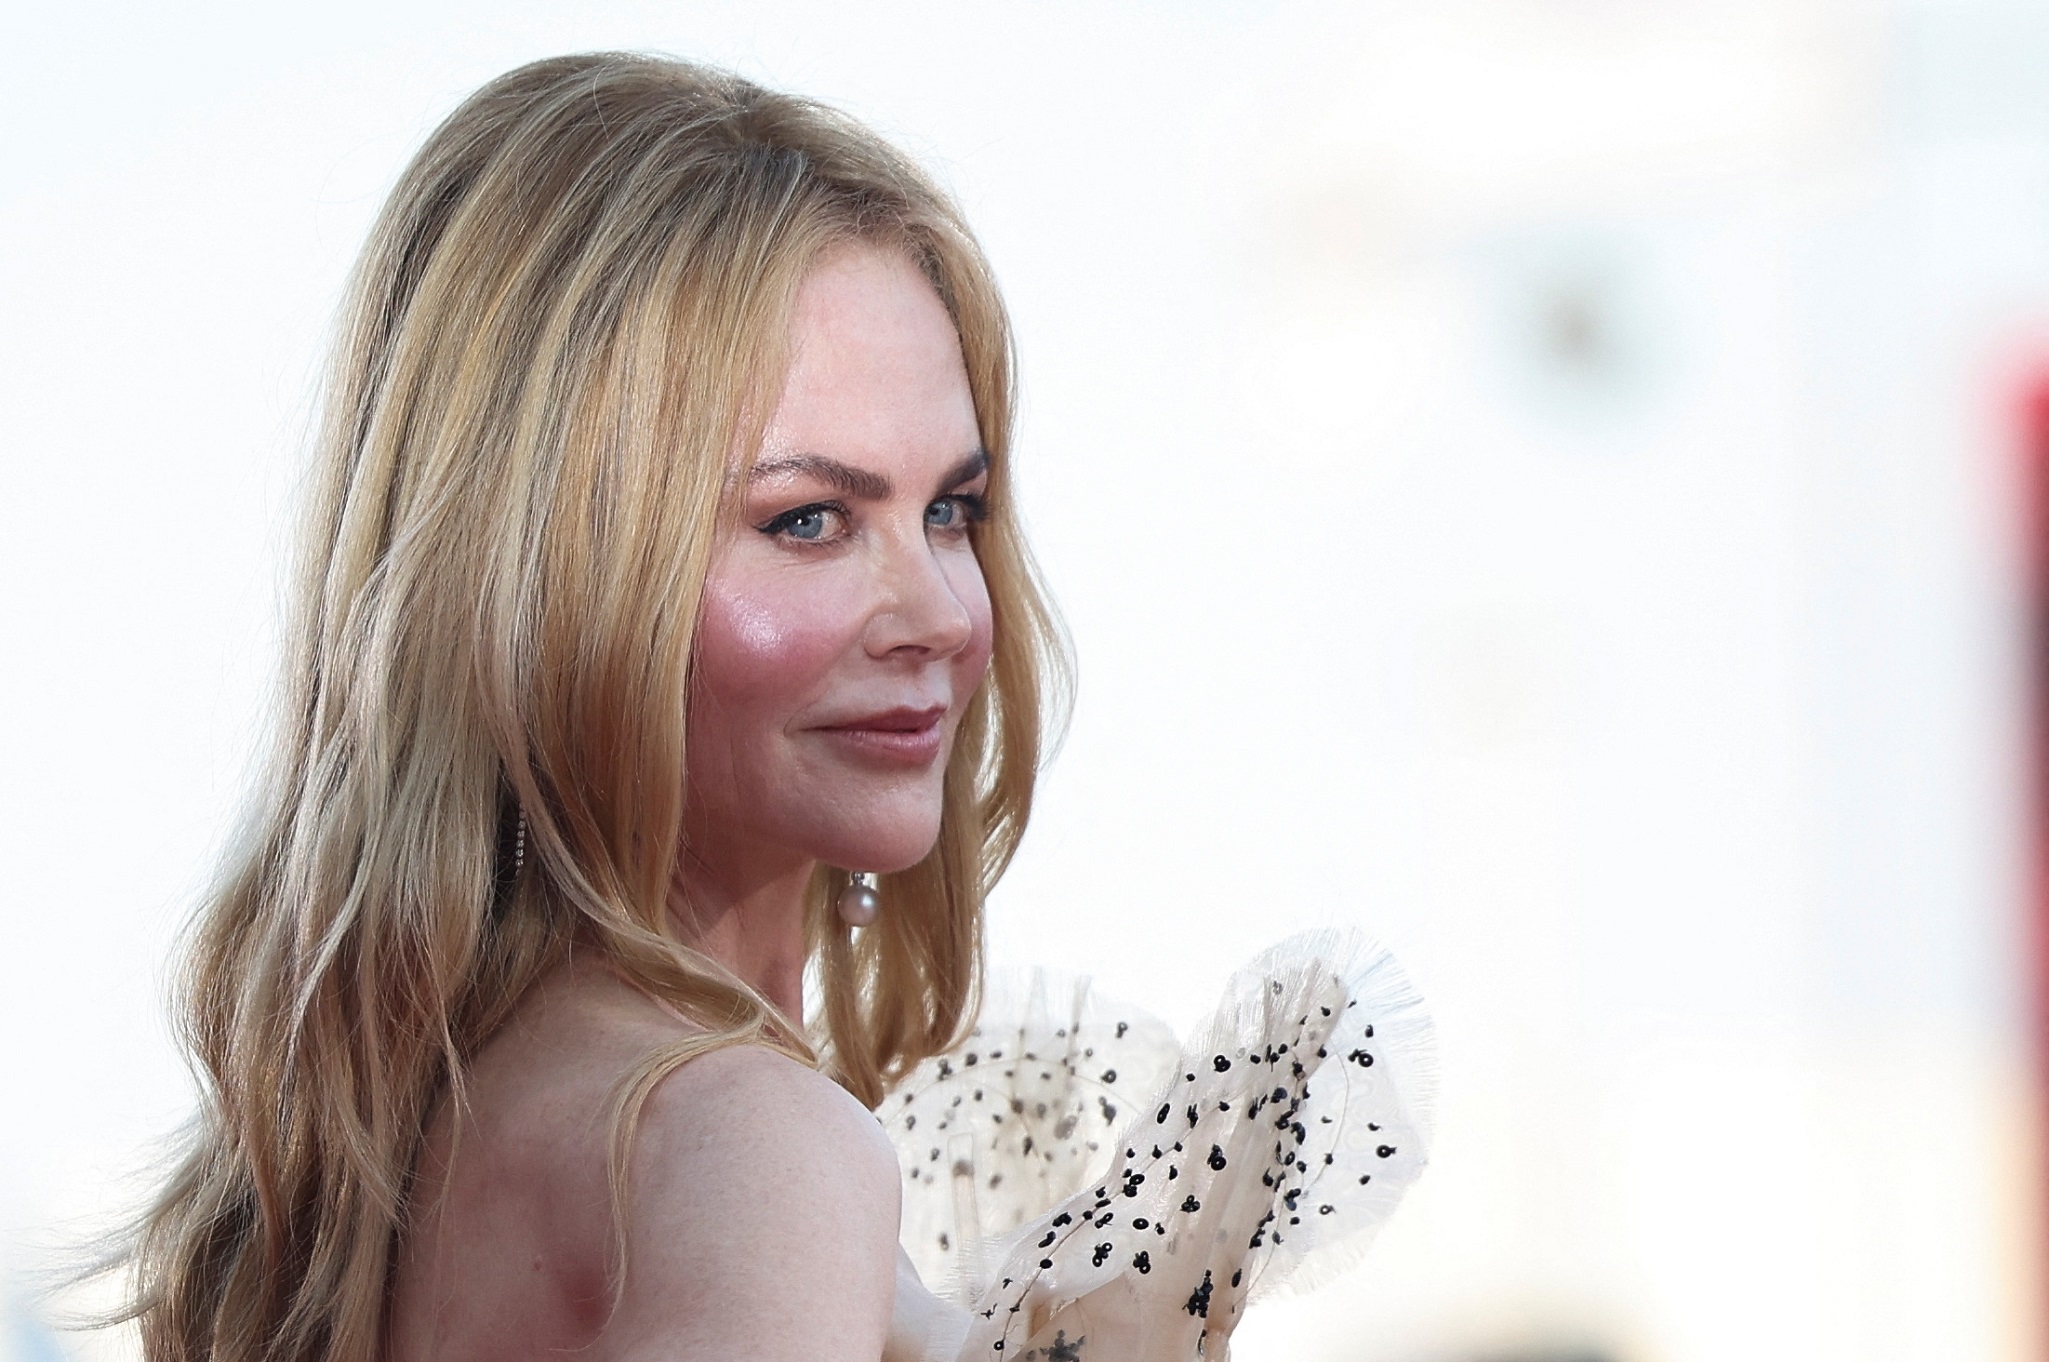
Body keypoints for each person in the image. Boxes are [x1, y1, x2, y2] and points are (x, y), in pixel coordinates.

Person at [115, 51, 1433, 1362]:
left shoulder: (420, 1140)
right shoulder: (737, 1143)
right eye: (808, 519)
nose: (938, 613)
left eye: (953, 511)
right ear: (551, 572)